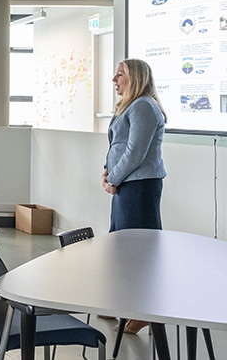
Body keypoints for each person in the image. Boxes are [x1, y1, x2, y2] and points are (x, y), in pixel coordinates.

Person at [103, 59, 167, 335]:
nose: (114, 79)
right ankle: (125, 305)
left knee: (137, 252)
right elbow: (118, 147)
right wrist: (108, 172)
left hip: (138, 187)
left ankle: (146, 312)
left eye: (120, 75)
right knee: (121, 247)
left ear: (137, 78)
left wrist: (113, 178)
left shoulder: (143, 106)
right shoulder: (131, 106)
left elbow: (135, 153)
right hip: (127, 185)